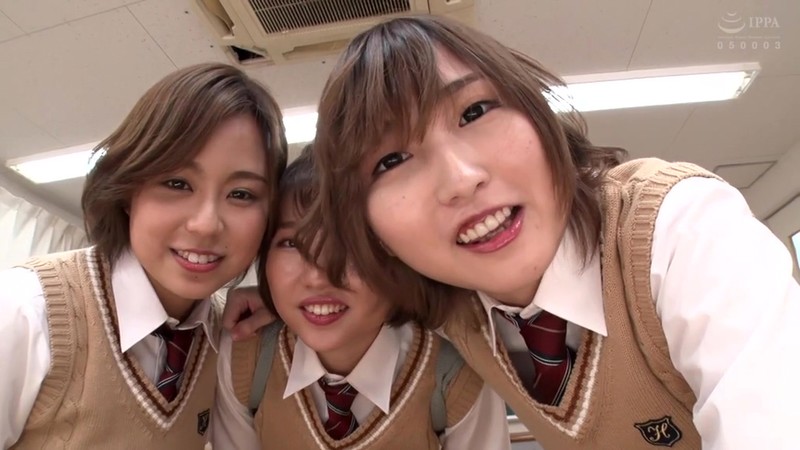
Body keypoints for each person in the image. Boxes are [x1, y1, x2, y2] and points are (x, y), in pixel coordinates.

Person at [287, 16, 800, 450]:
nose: (461, 180)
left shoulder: (683, 230)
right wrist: (267, 302)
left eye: (474, 112)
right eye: (392, 160)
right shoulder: (451, 309)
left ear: (536, 109)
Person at [0, 63, 287, 449]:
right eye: (177, 183)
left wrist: (288, 305)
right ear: (127, 191)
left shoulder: (231, 337)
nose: (205, 225)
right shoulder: (24, 310)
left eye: (241, 194)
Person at [212, 146, 510, 449]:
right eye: (291, 243)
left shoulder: (456, 376)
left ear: (398, 256)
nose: (317, 277)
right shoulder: (245, 360)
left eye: (350, 246)